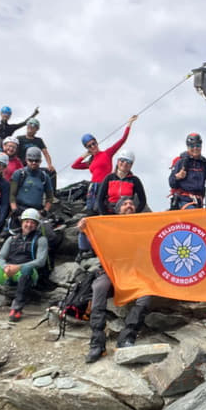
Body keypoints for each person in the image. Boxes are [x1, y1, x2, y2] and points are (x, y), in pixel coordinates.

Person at [76, 197, 152, 363]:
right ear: (117, 210)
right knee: (99, 287)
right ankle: (97, 343)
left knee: (146, 295)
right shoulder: (108, 227)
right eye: (124, 204)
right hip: (112, 271)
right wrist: (83, 231)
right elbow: (85, 246)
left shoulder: (143, 227)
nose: (129, 206)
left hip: (136, 273)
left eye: (131, 203)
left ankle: (127, 337)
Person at [73, 115, 138, 213]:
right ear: (87, 148)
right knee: (92, 210)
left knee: (104, 208)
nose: (93, 146)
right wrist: (85, 155)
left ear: (96, 142)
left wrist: (129, 123)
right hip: (93, 187)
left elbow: (122, 140)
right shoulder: (91, 161)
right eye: (89, 146)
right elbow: (75, 166)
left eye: (93, 143)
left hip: (105, 185)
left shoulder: (107, 154)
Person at [168, 133, 206, 209]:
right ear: (188, 147)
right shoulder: (181, 162)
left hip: (198, 203)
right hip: (184, 201)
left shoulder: (203, 164)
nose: (195, 148)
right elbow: (171, 183)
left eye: (198, 145)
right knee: (195, 214)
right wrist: (177, 177)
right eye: (192, 146)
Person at [96, 149, 147, 214]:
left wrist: (135, 213)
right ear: (118, 162)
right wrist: (105, 214)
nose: (125, 163)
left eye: (128, 162)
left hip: (127, 213)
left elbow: (143, 201)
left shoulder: (134, 180)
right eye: (122, 160)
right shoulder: (109, 178)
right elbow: (100, 199)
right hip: (110, 213)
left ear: (131, 165)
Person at [9, 146, 53, 222]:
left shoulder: (45, 177)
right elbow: (12, 194)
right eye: (31, 160)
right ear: (26, 160)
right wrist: (15, 210)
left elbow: (50, 197)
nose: (34, 163)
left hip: (37, 212)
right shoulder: (18, 174)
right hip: (20, 210)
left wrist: (45, 211)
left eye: (36, 161)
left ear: (40, 161)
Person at [17, 117, 56, 190]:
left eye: (34, 126)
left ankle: (52, 193)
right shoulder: (19, 139)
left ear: (37, 129)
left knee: (51, 172)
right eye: (29, 125)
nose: (31, 127)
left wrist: (49, 165)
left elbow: (46, 153)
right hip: (22, 166)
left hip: (34, 165)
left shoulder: (39, 140)